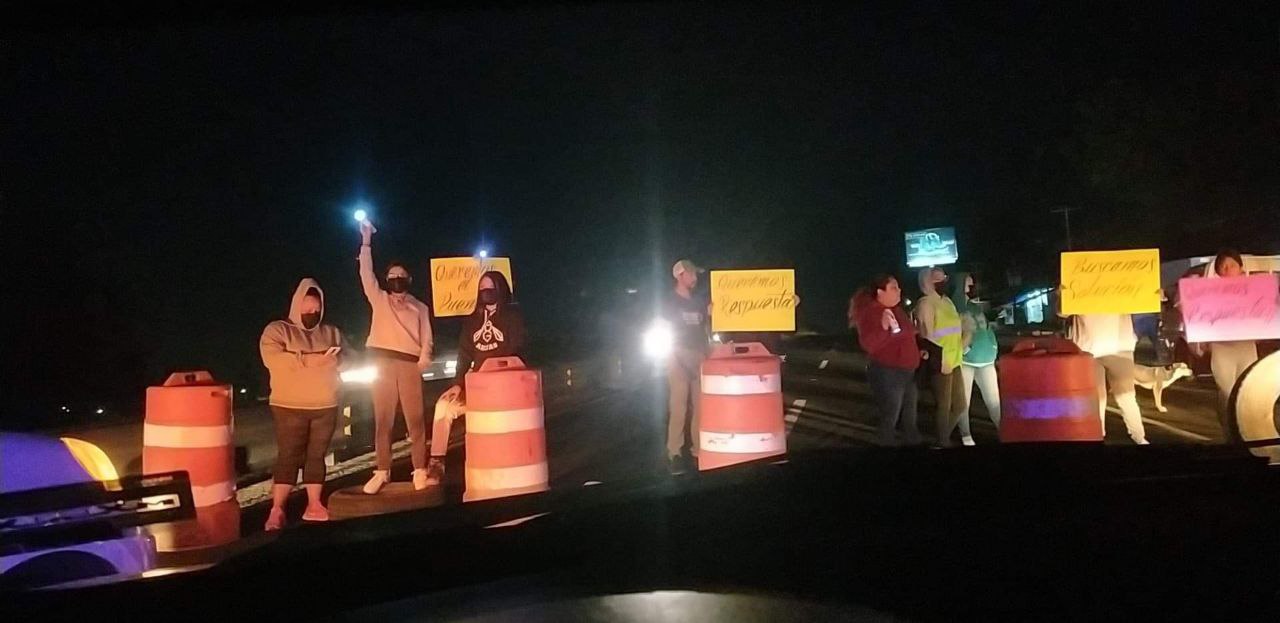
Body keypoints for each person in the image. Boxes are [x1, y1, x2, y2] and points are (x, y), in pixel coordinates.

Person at [259, 279, 346, 530]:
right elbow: (273, 359)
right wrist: (311, 361)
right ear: (296, 306)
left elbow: (350, 358)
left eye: (316, 309)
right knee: (288, 456)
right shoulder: (277, 330)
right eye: (307, 309)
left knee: (317, 457)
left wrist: (338, 361)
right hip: (289, 405)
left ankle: (315, 504)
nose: (312, 314)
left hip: (325, 405)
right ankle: (277, 510)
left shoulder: (331, 332)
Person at [426, 271, 526, 485]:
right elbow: (464, 354)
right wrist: (457, 384)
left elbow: (517, 347)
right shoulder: (471, 321)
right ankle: (436, 463)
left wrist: (493, 368)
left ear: (499, 289)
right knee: (444, 406)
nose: (485, 293)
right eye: (481, 289)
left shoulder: (512, 316)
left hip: (503, 386)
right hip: (477, 385)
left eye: (490, 288)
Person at [357, 220, 434, 493]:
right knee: (383, 419)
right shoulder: (380, 299)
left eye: (401, 276)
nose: (396, 279)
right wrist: (366, 241)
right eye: (392, 276)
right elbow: (366, 274)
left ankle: (420, 469)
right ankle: (382, 471)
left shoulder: (419, 307)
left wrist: (424, 359)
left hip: (409, 364)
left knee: (415, 419)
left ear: (409, 280)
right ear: (387, 280)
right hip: (382, 362)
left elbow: (427, 337)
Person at [1192, 249, 1258, 440]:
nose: (1227, 269)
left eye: (1231, 265)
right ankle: (1230, 435)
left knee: (1248, 391)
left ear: (1241, 268)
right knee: (1227, 392)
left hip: (1246, 346)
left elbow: (1265, 314)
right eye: (1223, 266)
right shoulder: (1209, 292)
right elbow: (1198, 316)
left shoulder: (1254, 290)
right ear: (1218, 270)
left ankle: (1249, 435)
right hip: (1222, 349)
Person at [852, 274, 923, 446]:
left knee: (910, 419)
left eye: (898, 287)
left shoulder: (897, 310)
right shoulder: (872, 312)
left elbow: (906, 335)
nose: (899, 291)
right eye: (893, 288)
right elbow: (869, 344)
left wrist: (919, 351)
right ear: (880, 292)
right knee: (890, 418)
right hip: (889, 373)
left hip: (907, 373)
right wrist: (883, 327)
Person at [1063, 308, 1149, 445]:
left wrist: (1153, 296)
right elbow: (1062, 311)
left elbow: (1141, 302)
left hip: (1109, 346)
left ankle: (1137, 437)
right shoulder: (1074, 286)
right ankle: (1101, 435)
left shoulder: (1123, 286)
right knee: (1101, 398)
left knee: (1123, 397)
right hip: (1094, 347)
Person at [664, 259, 710, 474]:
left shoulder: (699, 302)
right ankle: (674, 452)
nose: (695, 278)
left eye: (696, 274)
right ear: (680, 275)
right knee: (679, 407)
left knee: (700, 406)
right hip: (677, 355)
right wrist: (671, 356)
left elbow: (719, 315)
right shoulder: (669, 302)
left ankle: (698, 450)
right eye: (691, 274)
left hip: (699, 356)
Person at [913, 267, 967, 448]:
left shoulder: (948, 302)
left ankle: (940, 438)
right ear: (928, 282)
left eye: (944, 276)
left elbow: (956, 328)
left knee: (960, 405)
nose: (943, 280)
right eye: (938, 278)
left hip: (956, 359)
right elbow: (926, 335)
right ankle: (943, 442)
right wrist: (940, 359)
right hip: (941, 362)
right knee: (943, 407)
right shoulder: (925, 304)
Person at [951, 272, 1000, 444]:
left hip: (986, 359)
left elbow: (986, 328)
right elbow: (951, 332)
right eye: (968, 282)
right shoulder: (954, 306)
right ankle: (966, 436)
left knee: (994, 400)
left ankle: (1005, 431)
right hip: (966, 361)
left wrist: (993, 346)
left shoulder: (974, 306)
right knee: (964, 402)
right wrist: (964, 350)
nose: (971, 285)